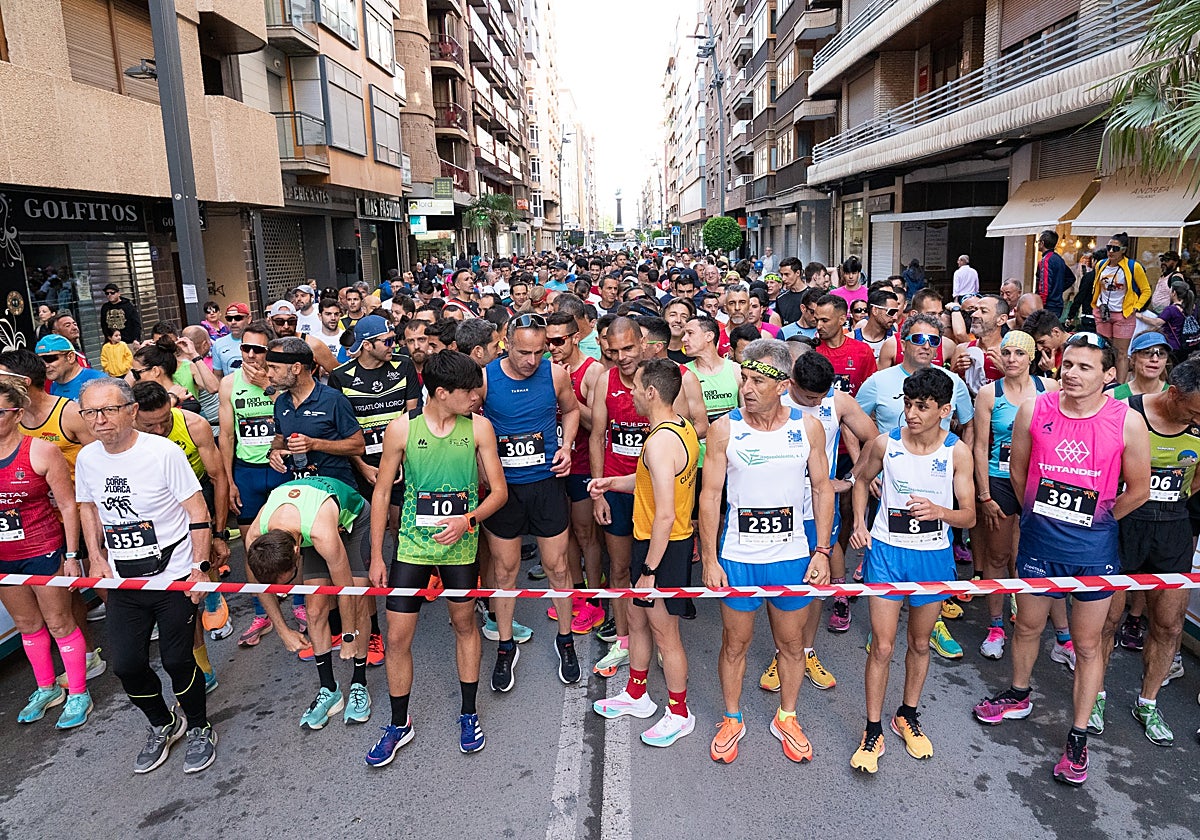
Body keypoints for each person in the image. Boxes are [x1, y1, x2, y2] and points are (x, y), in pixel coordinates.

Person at [973, 333, 1150, 787]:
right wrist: (1035, 510)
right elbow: (1018, 468)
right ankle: (1019, 693)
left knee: (1088, 645)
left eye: (1084, 367)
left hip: (1093, 552)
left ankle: (1078, 734)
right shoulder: (1036, 407)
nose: (1071, 373)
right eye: (1067, 364)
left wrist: (1099, 518)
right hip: (1039, 544)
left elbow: (1139, 490)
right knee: (1028, 625)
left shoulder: (1127, 421)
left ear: (1109, 376)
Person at [363, 350, 505, 766]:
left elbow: (499, 491)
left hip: (459, 546)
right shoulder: (401, 431)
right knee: (396, 637)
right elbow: (383, 493)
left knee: (464, 625)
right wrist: (377, 555)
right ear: (441, 393)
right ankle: (398, 722)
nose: (477, 397)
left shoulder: (479, 428)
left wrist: (469, 520)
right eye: (468, 392)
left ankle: (468, 713)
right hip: (411, 546)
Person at [697, 341, 834, 763]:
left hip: (791, 554)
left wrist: (823, 550)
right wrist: (709, 558)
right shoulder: (725, 429)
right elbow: (710, 495)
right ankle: (732, 717)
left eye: (758, 381)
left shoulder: (807, 427)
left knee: (791, 645)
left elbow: (822, 488)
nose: (748, 389)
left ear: (782, 385)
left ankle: (787, 717)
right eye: (745, 379)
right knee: (735, 643)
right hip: (739, 556)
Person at [75, 377, 217, 774]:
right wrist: (95, 558)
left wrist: (198, 570)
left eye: (108, 410)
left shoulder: (163, 453)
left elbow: (197, 512)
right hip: (124, 579)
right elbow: (87, 507)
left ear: (131, 411)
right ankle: (163, 723)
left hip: (172, 576)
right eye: (90, 412)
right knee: (126, 664)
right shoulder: (88, 459)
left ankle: (201, 727)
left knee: (176, 658)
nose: (99, 420)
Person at [848, 368, 976, 773]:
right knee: (882, 646)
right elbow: (859, 479)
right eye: (907, 404)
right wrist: (859, 524)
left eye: (921, 407)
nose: (911, 414)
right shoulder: (886, 444)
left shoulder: (956, 451)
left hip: (932, 557)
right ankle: (872, 729)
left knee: (920, 644)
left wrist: (941, 512)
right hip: (887, 553)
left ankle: (907, 714)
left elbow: (970, 516)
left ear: (944, 410)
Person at [1089, 359, 1200, 747]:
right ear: (1174, 394)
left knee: (1169, 623)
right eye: (1195, 411)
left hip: (1173, 526)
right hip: (1125, 523)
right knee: (1108, 621)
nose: (1199, 419)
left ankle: (1148, 702)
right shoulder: (1128, 413)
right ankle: (1095, 697)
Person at [591, 359, 701, 748]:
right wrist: (610, 482)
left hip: (664, 548)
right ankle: (637, 695)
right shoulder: (679, 427)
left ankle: (679, 712)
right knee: (636, 621)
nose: (631, 393)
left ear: (651, 392)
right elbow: (651, 485)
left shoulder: (658, 441)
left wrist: (650, 570)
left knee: (665, 633)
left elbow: (667, 513)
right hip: (649, 540)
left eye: (636, 387)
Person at [480, 313, 583, 690]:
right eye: (524, 352)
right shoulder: (487, 378)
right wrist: (483, 468)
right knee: (505, 571)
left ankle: (566, 639)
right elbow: (471, 424)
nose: (531, 361)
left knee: (557, 566)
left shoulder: (555, 374)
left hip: (546, 484)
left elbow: (571, 409)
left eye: (539, 352)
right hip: (504, 491)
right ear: (506, 343)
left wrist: (567, 446)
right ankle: (505, 645)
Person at [244, 475, 373, 729]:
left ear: (296, 553)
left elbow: (345, 589)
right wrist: (283, 631)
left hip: (352, 520)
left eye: (290, 578)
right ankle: (330, 690)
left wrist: (348, 636)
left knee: (357, 601)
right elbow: (260, 587)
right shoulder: (255, 539)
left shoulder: (320, 533)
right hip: (303, 521)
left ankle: (360, 683)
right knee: (314, 610)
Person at [0, 378, 90, 730]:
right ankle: (45, 687)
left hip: (43, 548)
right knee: (27, 625)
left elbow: (69, 506)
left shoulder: (40, 451)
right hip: (6, 556)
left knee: (59, 622)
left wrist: (71, 554)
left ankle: (79, 691)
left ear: (17, 413)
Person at [971, 331, 1060, 660]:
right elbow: (980, 447)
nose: (1011, 359)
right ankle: (995, 625)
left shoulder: (1048, 389)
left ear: (1031, 357)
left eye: (1019, 353)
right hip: (999, 479)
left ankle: (1027, 615)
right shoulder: (988, 393)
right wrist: (983, 493)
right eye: (1006, 353)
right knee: (997, 555)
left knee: (1029, 555)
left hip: (1038, 481)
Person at [545, 312, 606, 634]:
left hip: (583, 464)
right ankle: (577, 593)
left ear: (574, 338)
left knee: (586, 535)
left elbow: (597, 425)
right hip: (555, 466)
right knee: (563, 532)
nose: (551, 348)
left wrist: (566, 390)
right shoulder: (547, 367)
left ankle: (595, 600)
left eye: (557, 341)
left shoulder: (592, 372)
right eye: (547, 341)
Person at [1091, 232, 1152, 381]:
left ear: (1123, 250)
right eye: (1109, 247)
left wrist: (1135, 307)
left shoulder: (1133, 266)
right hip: (1103, 312)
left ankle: (1120, 387)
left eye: (1115, 248)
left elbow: (1146, 290)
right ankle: (1103, 382)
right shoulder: (1100, 265)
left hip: (1123, 313)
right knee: (1104, 351)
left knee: (1121, 353)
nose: (1111, 251)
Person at [813, 295, 877, 396]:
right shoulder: (811, 350)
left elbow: (871, 391)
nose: (818, 326)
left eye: (825, 321)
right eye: (816, 320)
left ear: (842, 320)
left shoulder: (862, 351)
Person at [1135, 280, 1193, 362]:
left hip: (1172, 344)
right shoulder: (1188, 307)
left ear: (1174, 293)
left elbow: (1156, 322)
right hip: (1183, 343)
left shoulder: (1171, 309)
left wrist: (1139, 316)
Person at [36, 335, 106, 401]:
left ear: (70, 357)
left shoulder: (98, 382)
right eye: (40, 361)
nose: (45, 365)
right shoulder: (54, 387)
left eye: (50, 358)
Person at [1113, 332, 1171, 400]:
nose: (1155, 359)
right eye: (1147, 353)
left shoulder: (1174, 396)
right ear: (1133, 358)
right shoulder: (1114, 396)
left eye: (1161, 354)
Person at [853, 288, 899, 360]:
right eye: (891, 312)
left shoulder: (897, 342)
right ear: (875, 310)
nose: (895, 317)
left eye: (897, 312)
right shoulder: (851, 339)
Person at [1034, 231, 1071, 317]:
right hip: (1057, 304)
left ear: (1042, 243)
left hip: (1048, 305)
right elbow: (1070, 278)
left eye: (1038, 241)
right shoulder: (1059, 259)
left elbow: (1044, 286)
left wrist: (1040, 305)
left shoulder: (1045, 260)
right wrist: (1058, 289)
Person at [211, 303, 251, 377]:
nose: (233, 322)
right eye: (229, 319)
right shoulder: (218, 344)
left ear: (249, 319)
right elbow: (217, 376)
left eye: (238, 318)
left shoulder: (258, 340)